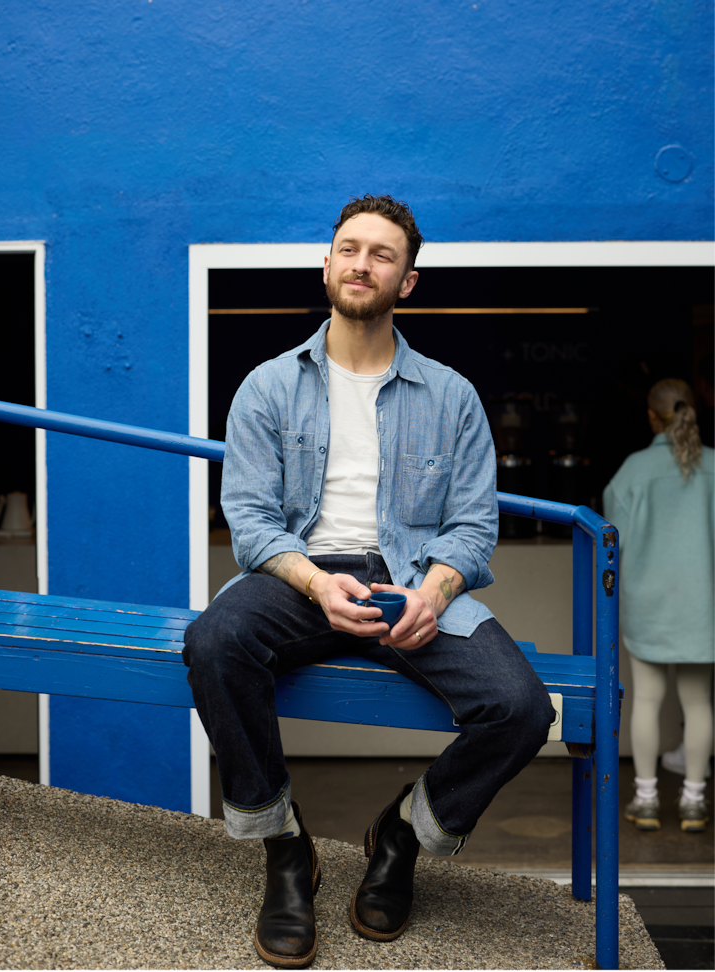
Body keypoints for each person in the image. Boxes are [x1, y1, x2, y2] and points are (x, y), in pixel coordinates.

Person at [183, 194, 554, 968]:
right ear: (327, 265)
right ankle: (285, 850)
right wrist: (316, 583)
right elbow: (249, 520)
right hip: (297, 579)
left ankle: (402, 837)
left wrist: (436, 592)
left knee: (520, 709)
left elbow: (473, 525)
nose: (362, 264)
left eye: (382, 255)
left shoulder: (450, 396)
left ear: (407, 282)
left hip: (408, 583)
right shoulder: (268, 387)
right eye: (349, 249)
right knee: (215, 641)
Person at [603, 378, 715, 834]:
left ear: (651, 416)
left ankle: (646, 799)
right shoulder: (714, 467)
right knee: (699, 702)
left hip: (648, 603)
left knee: (646, 701)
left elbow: (610, 537)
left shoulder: (634, 469)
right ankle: (694, 800)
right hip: (703, 606)